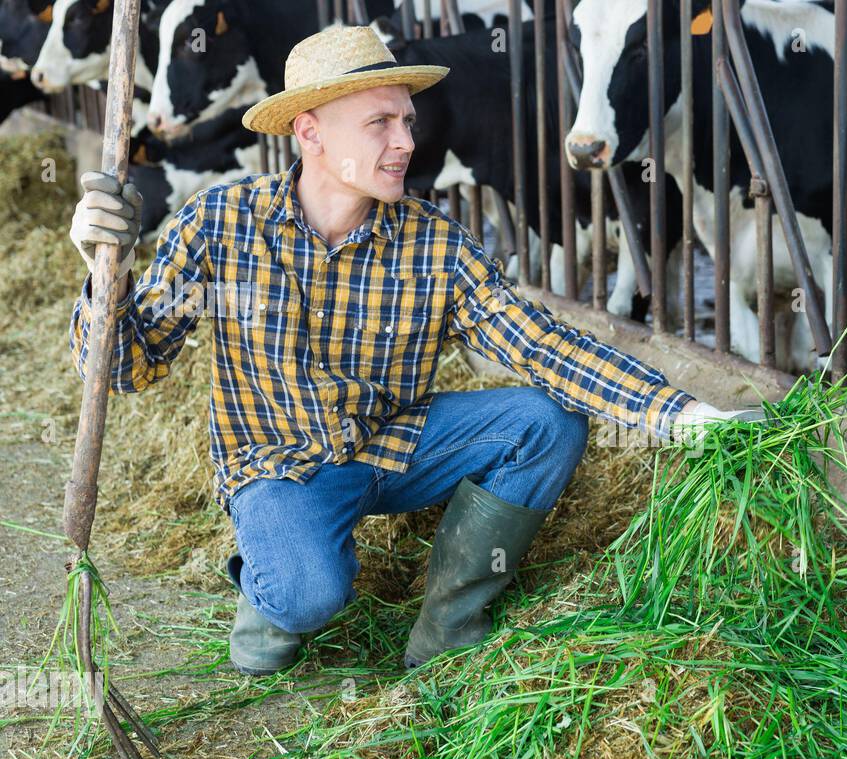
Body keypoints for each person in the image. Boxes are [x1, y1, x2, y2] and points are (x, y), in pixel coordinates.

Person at [67, 25, 756, 676]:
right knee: (311, 595)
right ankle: (270, 593)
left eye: (406, 121)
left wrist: (679, 415)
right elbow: (128, 369)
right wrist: (109, 273)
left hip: (393, 446)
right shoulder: (220, 225)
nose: (405, 142)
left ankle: (448, 627)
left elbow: (539, 343)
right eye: (380, 124)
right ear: (309, 132)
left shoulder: (433, 242)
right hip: (279, 464)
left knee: (545, 422)